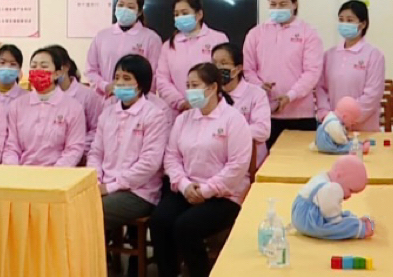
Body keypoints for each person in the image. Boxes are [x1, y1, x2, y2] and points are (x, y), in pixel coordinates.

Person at [150, 63, 252, 277]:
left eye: (195, 85)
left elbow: (237, 166)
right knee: (160, 221)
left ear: (213, 88)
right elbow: (171, 157)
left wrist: (206, 191)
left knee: (186, 227)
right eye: (187, 85)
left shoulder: (234, 120)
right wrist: (185, 186)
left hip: (224, 196)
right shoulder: (184, 119)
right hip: (187, 188)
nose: (190, 91)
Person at [87, 54, 169, 229]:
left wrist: (111, 187)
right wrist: (97, 181)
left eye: (126, 78)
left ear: (141, 84)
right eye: (117, 78)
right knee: (72, 206)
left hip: (139, 192)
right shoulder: (108, 113)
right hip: (104, 185)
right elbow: (96, 153)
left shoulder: (155, 115)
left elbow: (149, 163)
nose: (120, 83)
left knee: (90, 211)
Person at [243, 0, 324, 148]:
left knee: (300, 159)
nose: (277, 9)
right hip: (265, 113)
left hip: (300, 114)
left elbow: (312, 72)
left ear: (295, 4)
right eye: (273, 4)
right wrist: (259, 86)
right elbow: (248, 69)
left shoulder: (308, 33)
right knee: (269, 160)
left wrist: (290, 96)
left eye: (283, 4)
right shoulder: (256, 33)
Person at [2, 47, 87, 166]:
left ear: (57, 73)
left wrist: (55, 172)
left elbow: (74, 149)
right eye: (34, 66)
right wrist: (14, 169)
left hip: (58, 173)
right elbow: (11, 147)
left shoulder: (73, 107)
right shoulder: (17, 105)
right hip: (22, 171)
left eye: (44, 66)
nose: (38, 70)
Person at [315, 0, 385, 132]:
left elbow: (372, 95)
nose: (344, 24)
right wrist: (327, 116)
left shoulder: (374, 55)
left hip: (364, 129)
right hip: (332, 127)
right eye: (341, 20)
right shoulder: (329, 55)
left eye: (350, 20)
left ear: (363, 24)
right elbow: (321, 88)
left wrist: (346, 118)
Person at [157, 0, 229, 115]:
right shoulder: (168, 45)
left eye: (185, 13)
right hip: (179, 111)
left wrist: (208, 100)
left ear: (199, 14)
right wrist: (180, 102)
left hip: (212, 108)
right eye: (176, 14)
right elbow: (162, 79)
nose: (180, 17)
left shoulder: (218, 38)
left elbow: (224, 73)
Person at [85, 0, 163, 97]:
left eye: (130, 7)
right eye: (121, 5)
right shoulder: (102, 36)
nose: (124, 10)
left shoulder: (151, 38)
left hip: (137, 99)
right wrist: (105, 86)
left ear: (139, 11)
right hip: (104, 98)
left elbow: (154, 76)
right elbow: (90, 70)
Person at [211, 42, 271, 169]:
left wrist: (227, 132)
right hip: (217, 163)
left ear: (237, 69)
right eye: (214, 63)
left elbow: (263, 130)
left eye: (223, 63)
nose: (217, 68)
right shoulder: (210, 94)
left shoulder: (256, 94)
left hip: (250, 163)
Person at [291, 156, 373, 240]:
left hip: (299, 215)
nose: (349, 196)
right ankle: (358, 229)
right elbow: (331, 213)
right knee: (335, 228)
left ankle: (351, 221)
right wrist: (337, 221)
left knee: (337, 214)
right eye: (350, 190)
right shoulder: (333, 187)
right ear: (339, 175)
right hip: (307, 220)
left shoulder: (322, 177)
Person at [46, 44, 103, 157]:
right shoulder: (43, 96)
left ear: (66, 67)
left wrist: (74, 148)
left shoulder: (88, 95)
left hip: (79, 154)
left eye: (54, 67)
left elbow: (96, 130)